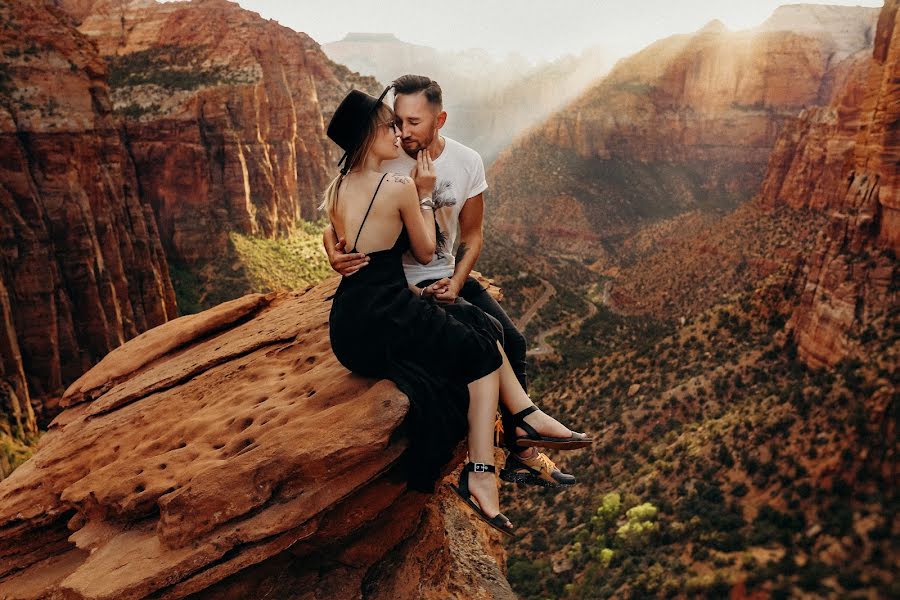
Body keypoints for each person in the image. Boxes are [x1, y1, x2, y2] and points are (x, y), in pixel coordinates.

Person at [322, 88, 591, 536]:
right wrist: (423, 195)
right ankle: (484, 470)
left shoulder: (340, 182)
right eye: (392, 124)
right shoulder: (398, 180)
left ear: (437, 121)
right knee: (481, 354)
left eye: (409, 123)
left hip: (350, 322)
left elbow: (468, 234)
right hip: (391, 305)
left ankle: (522, 425)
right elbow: (424, 252)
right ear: (371, 135)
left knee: (492, 329)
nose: (400, 131)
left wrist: (459, 279)